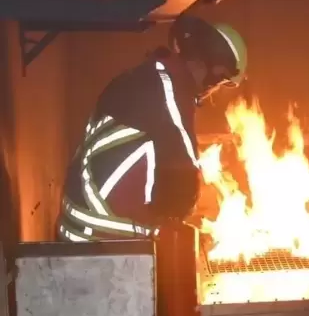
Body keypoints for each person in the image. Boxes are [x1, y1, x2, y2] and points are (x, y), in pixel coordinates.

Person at [57, 16, 247, 242]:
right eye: (219, 83)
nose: (212, 92)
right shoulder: (169, 93)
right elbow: (184, 186)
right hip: (101, 240)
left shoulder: (146, 76)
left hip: (76, 228)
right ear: (212, 69)